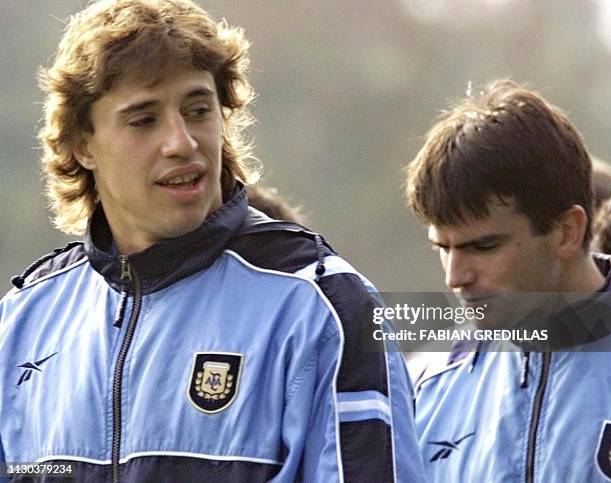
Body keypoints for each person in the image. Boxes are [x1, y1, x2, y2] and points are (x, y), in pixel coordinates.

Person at [0, 1, 425, 482]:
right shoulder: (21, 321)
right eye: (144, 119)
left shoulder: (323, 307)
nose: (182, 141)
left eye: (198, 110)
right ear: (82, 144)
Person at [404, 79, 611, 482]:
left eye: (483, 247)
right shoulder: (422, 387)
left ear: (567, 231)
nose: (455, 277)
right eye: (443, 248)